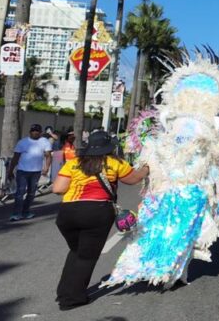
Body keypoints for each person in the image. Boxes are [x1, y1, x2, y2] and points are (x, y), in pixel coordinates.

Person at [51, 130, 149, 310]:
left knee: (75, 251)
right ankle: (72, 299)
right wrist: (147, 168)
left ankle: (64, 292)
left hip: (67, 213)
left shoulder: (73, 163)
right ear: (109, 147)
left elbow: (57, 189)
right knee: (86, 256)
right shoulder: (115, 163)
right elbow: (135, 179)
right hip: (97, 212)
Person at [8, 124, 52, 221]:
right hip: (22, 171)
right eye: (33, 131)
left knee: (31, 193)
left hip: (36, 172)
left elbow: (48, 155)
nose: (35, 132)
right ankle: (16, 214)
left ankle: (26, 212)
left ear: (40, 132)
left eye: (37, 131)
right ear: (30, 132)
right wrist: (10, 171)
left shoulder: (44, 141)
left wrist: (46, 168)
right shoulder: (22, 142)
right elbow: (16, 157)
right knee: (20, 192)